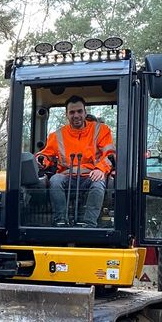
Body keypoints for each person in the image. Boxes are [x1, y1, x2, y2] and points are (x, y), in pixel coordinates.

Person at [36, 95, 115, 227]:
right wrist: (41, 160)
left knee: (98, 183)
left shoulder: (101, 130)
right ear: (66, 115)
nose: (76, 115)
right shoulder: (57, 135)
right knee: (55, 180)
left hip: (92, 174)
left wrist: (101, 169)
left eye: (79, 111)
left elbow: (110, 154)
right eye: (72, 112)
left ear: (85, 112)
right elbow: (46, 155)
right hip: (67, 176)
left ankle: (89, 224)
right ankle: (60, 221)